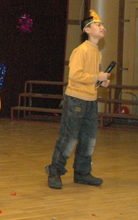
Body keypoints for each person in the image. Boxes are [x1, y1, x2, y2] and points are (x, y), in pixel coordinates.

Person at [45, 10, 109, 189]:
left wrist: (100, 81)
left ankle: (82, 172)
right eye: (98, 25)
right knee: (69, 138)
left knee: (89, 139)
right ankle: (55, 171)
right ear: (87, 30)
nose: (102, 27)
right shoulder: (81, 51)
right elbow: (75, 75)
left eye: (103, 25)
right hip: (76, 101)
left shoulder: (97, 52)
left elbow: (91, 76)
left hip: (91, 100)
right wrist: (97, 77)